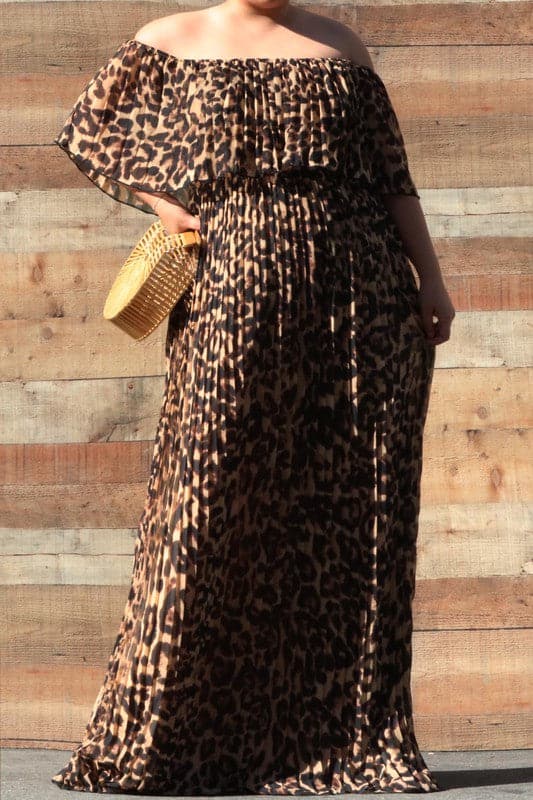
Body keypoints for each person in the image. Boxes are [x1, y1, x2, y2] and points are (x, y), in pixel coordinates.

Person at [51, 0, 454, 794]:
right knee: (206, 494)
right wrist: (163, 203)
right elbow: (87, 130)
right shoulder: (169, 40)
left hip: (359, 290)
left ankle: (336, 737)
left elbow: (389, 177)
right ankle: (175, 735)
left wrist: (429, 278)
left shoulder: (339, 45)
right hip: (231, 283)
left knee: (350, 506)